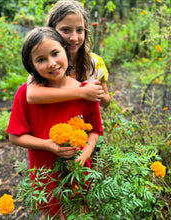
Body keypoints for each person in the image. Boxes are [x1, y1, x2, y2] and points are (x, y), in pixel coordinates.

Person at [7, 27, 103, 219]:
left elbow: (96, 131)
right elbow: (14, 136)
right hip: (45, 176)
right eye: (41, 60)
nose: (51, 63)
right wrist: (47, 145)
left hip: (78, 173)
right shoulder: (25, 94)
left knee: (80, 213)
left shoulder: (86, 92)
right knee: (52, 215)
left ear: (65, 51)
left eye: (55, 53)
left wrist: (84, 155)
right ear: (31, 65)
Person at [27, 0, 110, 108]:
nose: (74, 38)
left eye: (80, 30)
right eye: (66, 30)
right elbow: (32, 96)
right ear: (51, 30)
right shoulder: (49, 64)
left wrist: (97, 94)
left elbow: (106, 102)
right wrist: (82, 92)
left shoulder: (95, 62)